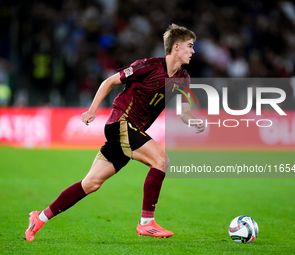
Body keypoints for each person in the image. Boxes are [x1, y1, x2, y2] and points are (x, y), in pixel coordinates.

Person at [25, 23, 205, 241]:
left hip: (130, 132)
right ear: (176, 47)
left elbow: (185, 112)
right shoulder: (147, 66)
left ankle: (39, 218)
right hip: (121, 123)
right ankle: (147, 223)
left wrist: (194, 121)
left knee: (90, 184)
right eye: (190, 46)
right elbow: (109, 81)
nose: (193, 51)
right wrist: (92, 110)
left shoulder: (183, 78)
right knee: (160, 160)